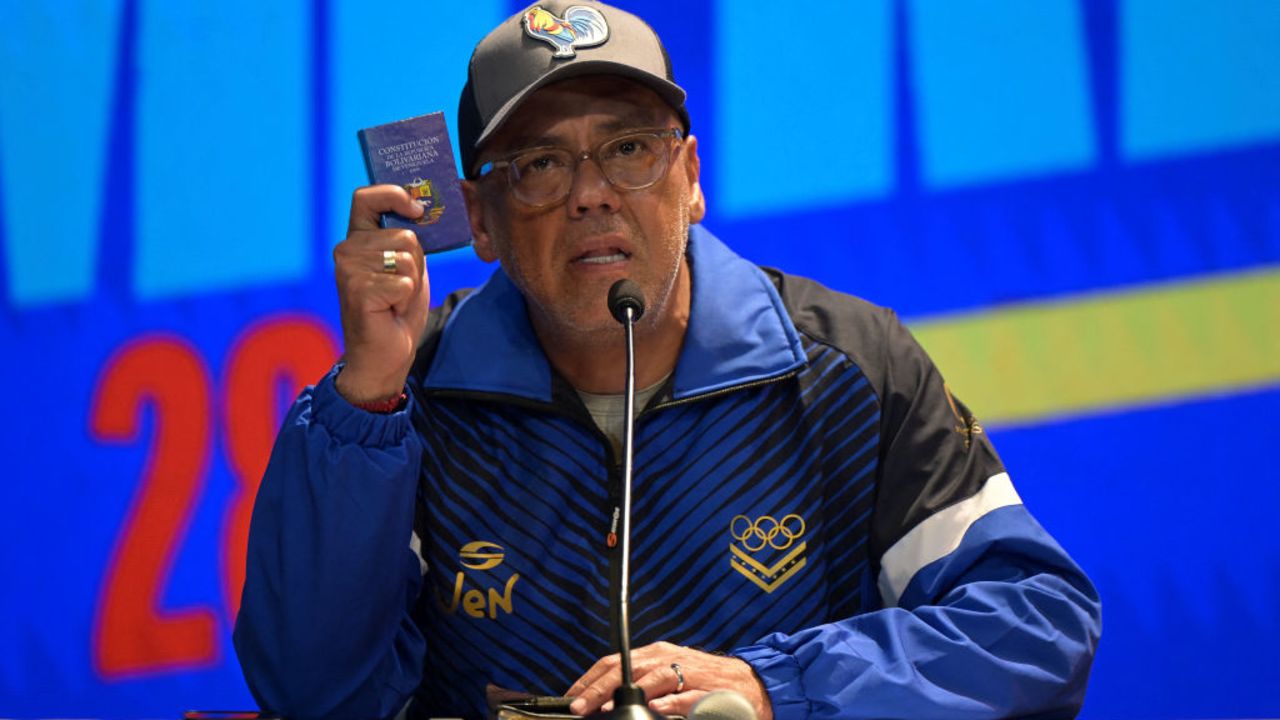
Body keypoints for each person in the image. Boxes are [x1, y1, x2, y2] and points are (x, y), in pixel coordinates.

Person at [233, 2, 1102, 719]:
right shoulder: (405, 398)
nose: (591, 192)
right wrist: (369, 395)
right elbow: (311, 694)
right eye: (539, 163)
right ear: (481, 219)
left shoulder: (847, 367)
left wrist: (777, 686)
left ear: (688, 175)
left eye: (629, 149)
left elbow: (1034, 626)